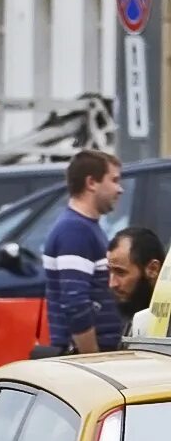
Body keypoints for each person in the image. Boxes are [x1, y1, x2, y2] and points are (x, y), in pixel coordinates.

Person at [44, 149, 124, 354]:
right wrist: (93, 358)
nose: (120, 189)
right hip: (86, 358)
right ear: (91, 183)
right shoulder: (74, 230)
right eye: (114, 180)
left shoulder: (85, 227)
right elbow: (75, 303)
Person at [107, 226, 163, 324]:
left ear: (153, 269)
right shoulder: (133, 318)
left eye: (120, 272)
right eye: (110, 271)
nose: (112, 284)